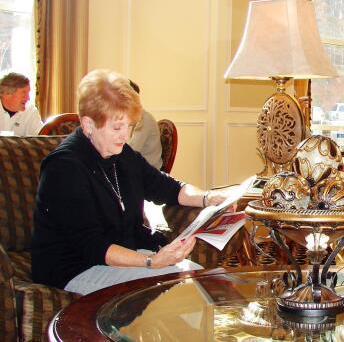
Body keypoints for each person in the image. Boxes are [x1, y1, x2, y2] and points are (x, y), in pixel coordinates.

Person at [31, 69, 234, 295]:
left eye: (130, 126)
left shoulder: (122, 154)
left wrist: (208, 198)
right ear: (88, 124)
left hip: (124, 255)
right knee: (178, 287)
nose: (125, 136)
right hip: (75, 268)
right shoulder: (65, 168)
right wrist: (151, 262)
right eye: (117, 128)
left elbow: (168, 187)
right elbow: (92, 246)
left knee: (203, 279)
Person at [128, 80, 163, 169]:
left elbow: (130, 150)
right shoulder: (128, 116)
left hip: (148, 171)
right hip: (134, 166)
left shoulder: (144, 119)